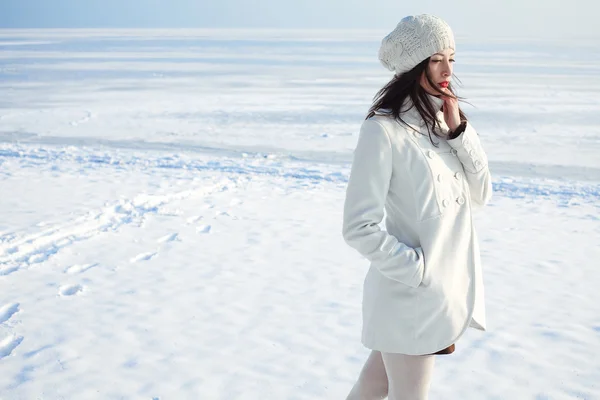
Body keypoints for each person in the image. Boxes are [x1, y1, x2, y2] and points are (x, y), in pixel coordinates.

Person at [342, 14, 493, 400]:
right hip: (411, 296)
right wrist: (419, 272)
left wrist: (459, 131)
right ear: (414, 65)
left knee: (373, 387)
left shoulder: (447, 124)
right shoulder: (383, 130)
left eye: (452, 58)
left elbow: (482, 193)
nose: (447, 70)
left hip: (441, 294)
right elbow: (359, 226)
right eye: (435, 58)